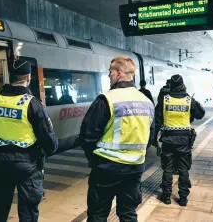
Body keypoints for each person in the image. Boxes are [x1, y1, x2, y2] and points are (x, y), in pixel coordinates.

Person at [0, 58, 59, 222]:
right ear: (28, 77)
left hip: (0, 164)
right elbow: (50, 142)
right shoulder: (32, 104)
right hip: (28, 166)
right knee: (28, 213)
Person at [78, 56, 155, 222]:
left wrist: (94, 160)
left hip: (106, 167)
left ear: (119, 74)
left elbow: (87, 135)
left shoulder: (106, 99)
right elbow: (151, 137)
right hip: (134, 168)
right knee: (128, 214)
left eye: (110, 72)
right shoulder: (147, 102)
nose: (109, 76)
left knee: (98, 214)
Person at [154, 74, 205, 206]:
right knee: (183, 170)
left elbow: (157, 118)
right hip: (183, 140)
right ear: (183, 85)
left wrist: (155, 137)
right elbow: (200, 114)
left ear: (170, 85)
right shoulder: (189, 100)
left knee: (168, 169)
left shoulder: (164, 100)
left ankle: (166, 196)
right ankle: (182, 198)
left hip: (168, 139)